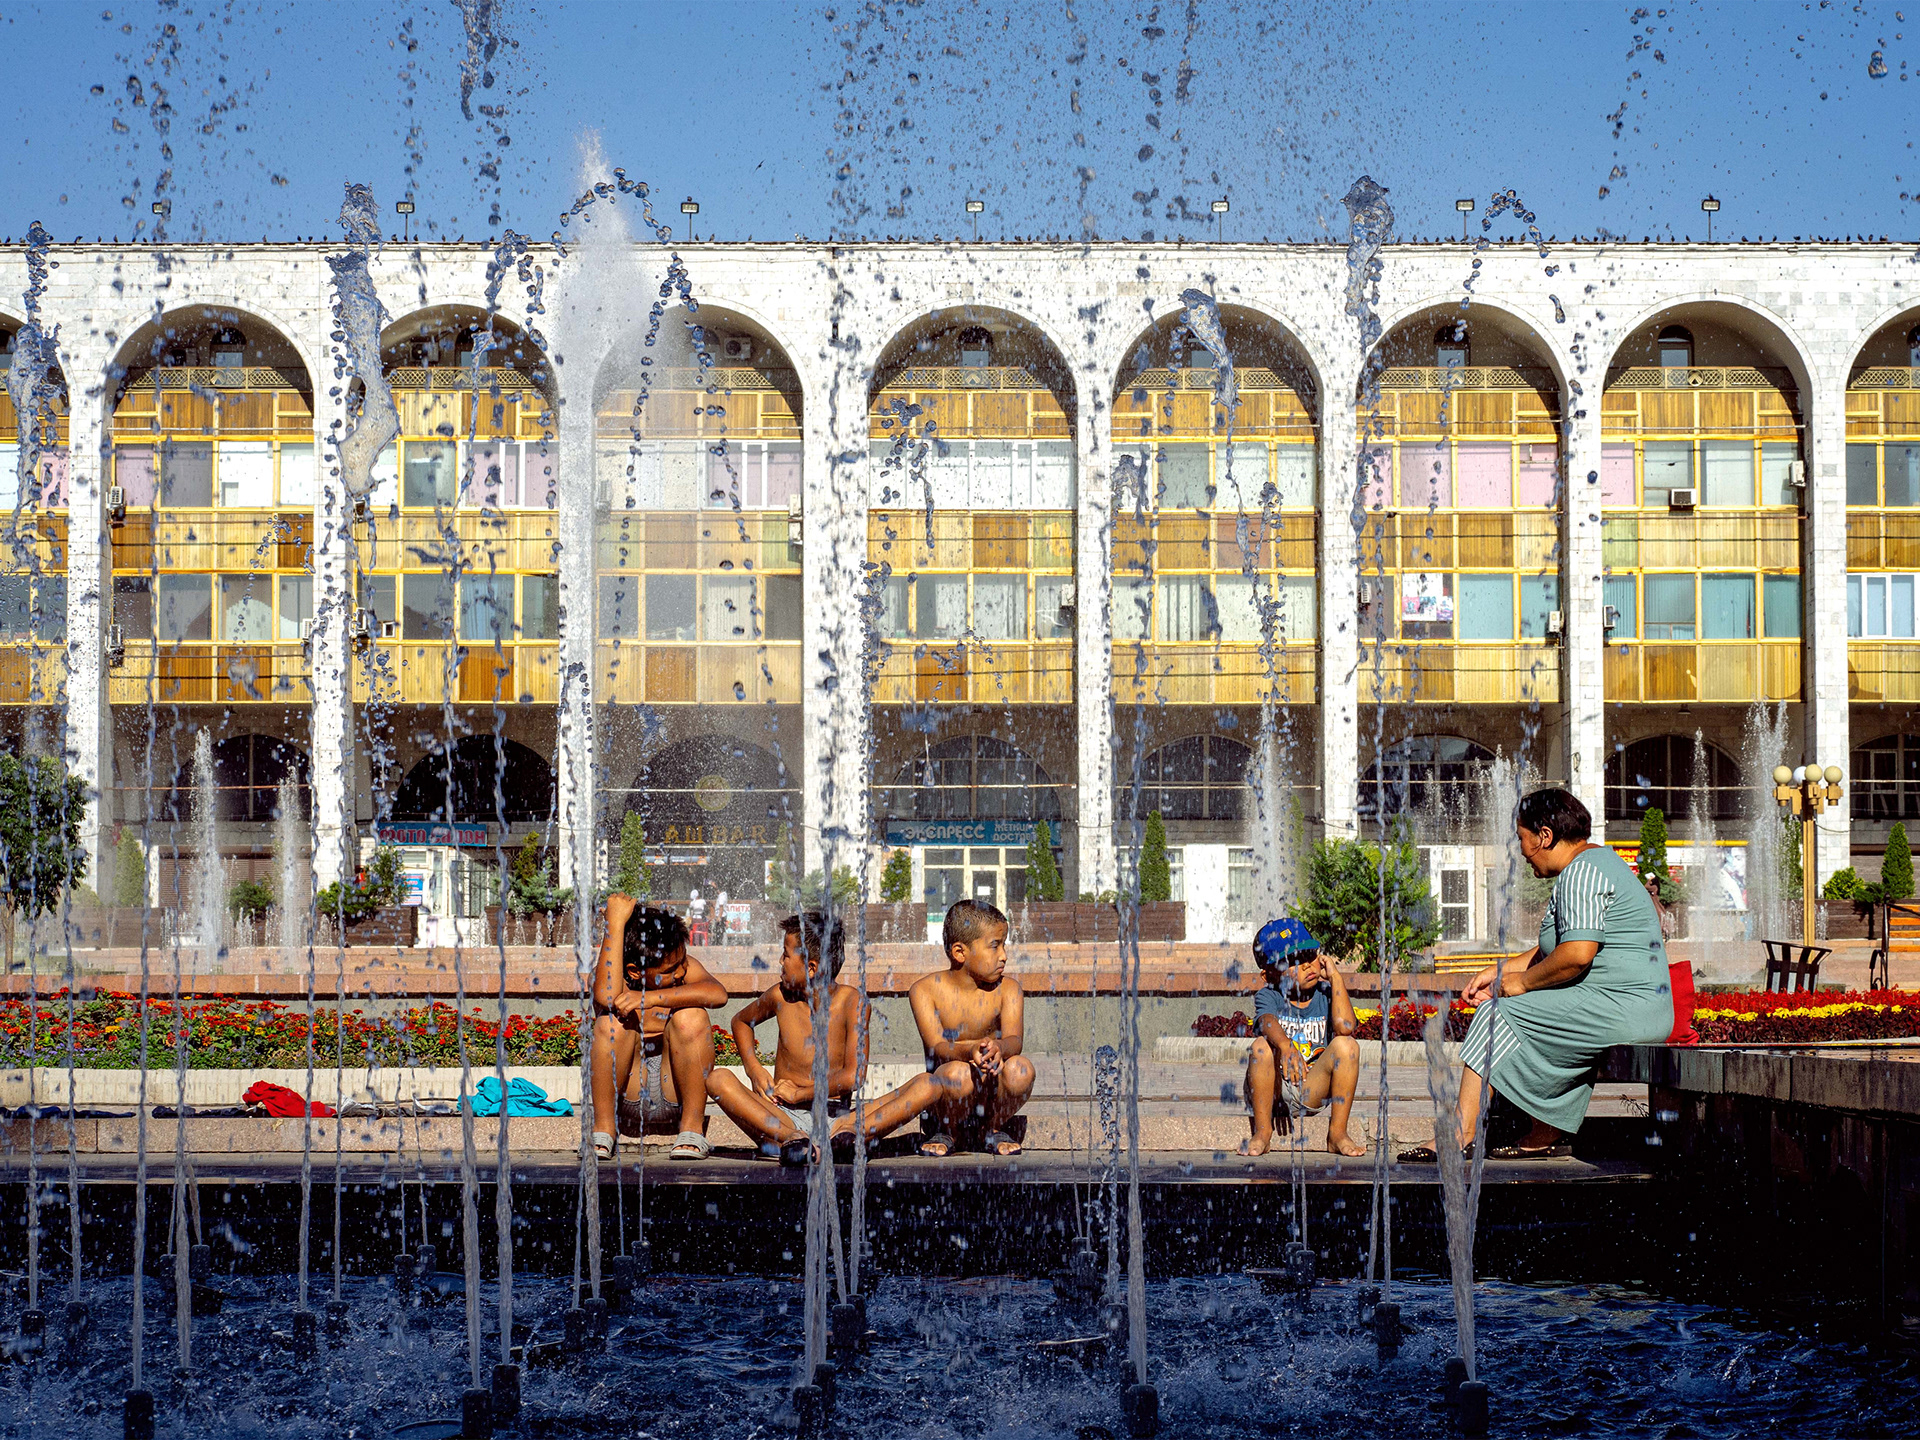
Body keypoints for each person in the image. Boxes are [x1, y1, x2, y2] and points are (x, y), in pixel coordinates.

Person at [1399, 787, 1674, 1163]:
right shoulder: (1595, 865)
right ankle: (1546, 1131)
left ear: (1545, 836)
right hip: (1627, 1006)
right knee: (1517, 1012)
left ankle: (1460, 1132)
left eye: (1522, 839)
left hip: (1625, 1009)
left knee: (1496, 1017)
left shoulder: (1584, 872)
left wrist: (1520, 984)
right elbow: (1554, 948)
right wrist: (1498, 972)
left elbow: (1576, 955)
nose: (1521, 851)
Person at [838, 898, 1035, 1157]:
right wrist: (971, 1050)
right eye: (995, 946)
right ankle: (947, 1130)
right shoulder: (925, 990)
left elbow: (1014, 1040)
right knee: (957, 1074)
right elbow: (938, 1046)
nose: (1004, 956)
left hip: (991, 1097)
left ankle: (993, 1127)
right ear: (959, 952)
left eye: (1004, 945)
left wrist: (999, 1046)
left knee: (1021, 1069)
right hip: (947, 1098)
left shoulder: (1008, 989)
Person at [706, 912, 865, 1161]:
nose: (781, 961)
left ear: (811, 968)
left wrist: (799, 1094)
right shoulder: (780, 996)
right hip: (782, 1115)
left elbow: (853, 1076)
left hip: (834, 1121)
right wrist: (754, 1069)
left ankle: (798, 1146)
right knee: (717, 1080)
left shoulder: (851, 1001)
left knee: (922, 1086)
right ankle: (794, 1140)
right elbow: (741, 1021)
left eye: (786, 954)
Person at [588, 894, 727, 1160]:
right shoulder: (614, 977)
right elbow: (606, 996)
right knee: (611, 1022)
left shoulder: (684, 971)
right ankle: (604, 1128)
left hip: (674, 1090)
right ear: (634, 971)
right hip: (629, 1092)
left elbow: (718, 994)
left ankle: (692, 1128)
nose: (680, 972)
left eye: (682, 963)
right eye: (671, 969)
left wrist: (649, 998)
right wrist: (615, 924)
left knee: (693, 1016)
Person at [1237, 917, 1367, 1158]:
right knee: (1260, 1047)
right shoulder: (1270, 994)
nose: (1308, 965)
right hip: (1275, 1086)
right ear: (1270, 975)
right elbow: (1266, 1021)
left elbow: (1345, 1027)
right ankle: (1263, 1133)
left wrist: (1336, 977)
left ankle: (1337, 1134)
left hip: (1311, 1086)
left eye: (1310, 955)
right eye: (1293, 961)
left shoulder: (1327, 993)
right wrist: (1285, 1046)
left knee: (1347, 1046)